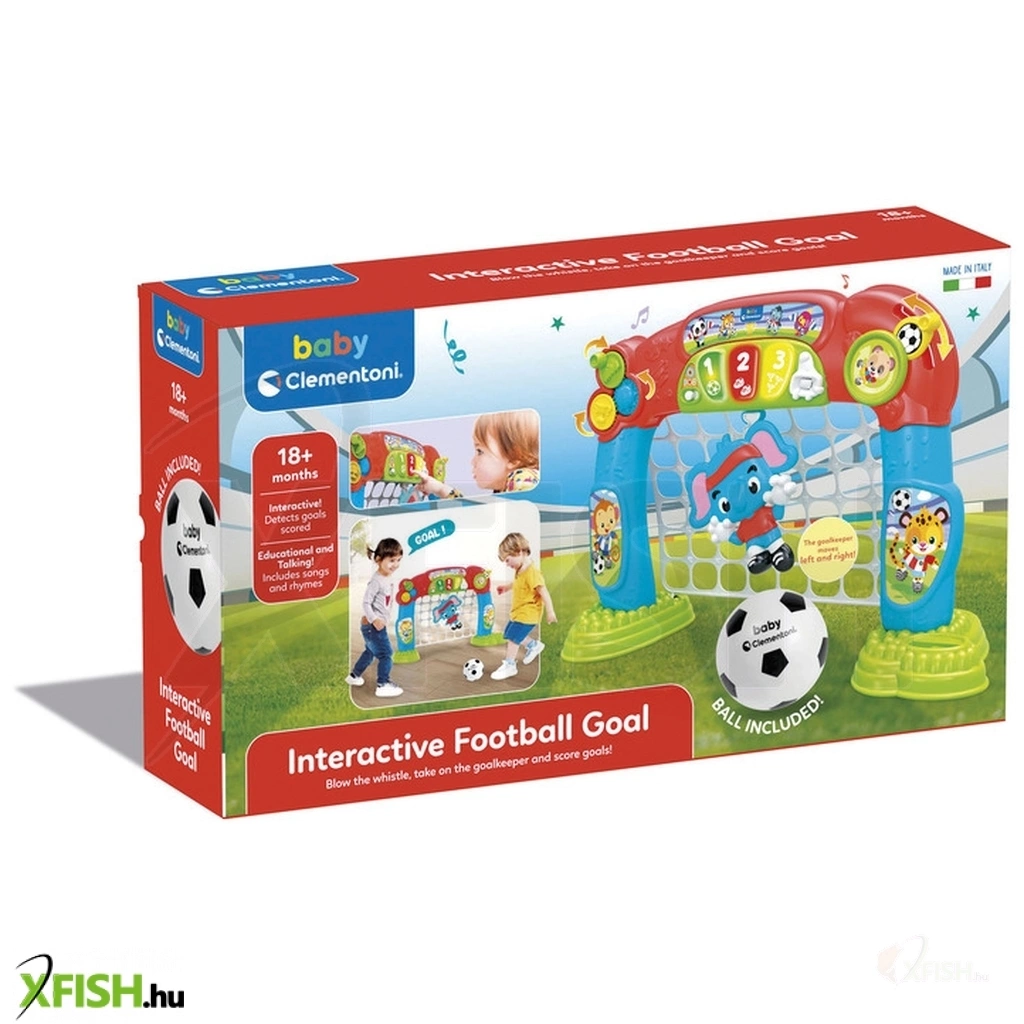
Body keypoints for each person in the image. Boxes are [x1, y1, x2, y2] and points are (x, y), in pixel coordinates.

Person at [414, 411, 539, 498]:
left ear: (514, 457)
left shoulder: (523, 479)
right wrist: (440, 489)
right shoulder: (504, 490)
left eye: (480, 451)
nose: (473, 462)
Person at [490, 532, 556, 680]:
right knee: (508, 633)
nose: (507, 564)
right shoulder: (520, 569)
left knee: (513, 638)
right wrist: (507, 587)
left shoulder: (532, 572)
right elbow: (519, 583)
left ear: (518, 551)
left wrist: (550, 611)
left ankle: (510, 665)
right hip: (519, 611)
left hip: (528, 613)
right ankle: (533, 645)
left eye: (507, 560)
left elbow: (543, 591)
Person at [345, 538, 404, 697]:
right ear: (379, 559)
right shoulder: (376, 581)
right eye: (391, 560)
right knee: (386, 654)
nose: (395, 564)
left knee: (370, 651)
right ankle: (383, 684)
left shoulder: (388, 576)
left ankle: (354, 676)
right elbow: (366, 602)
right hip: (373, 626)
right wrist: (375, 619)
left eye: (398, 560)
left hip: (374, 626)